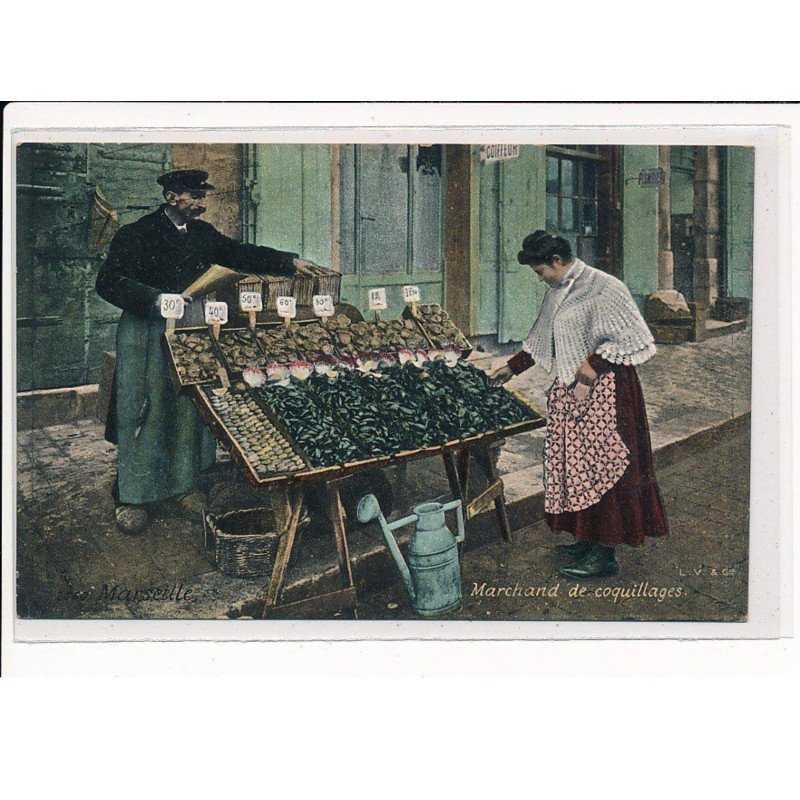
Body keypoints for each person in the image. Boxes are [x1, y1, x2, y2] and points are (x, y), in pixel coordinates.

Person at [96, 169, 316, 535]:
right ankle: (131, 496)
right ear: (172, 197)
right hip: (146, 330)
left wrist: (288, 262)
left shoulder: (202, 233)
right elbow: (107, 282)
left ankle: (182, 487)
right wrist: (155, 298)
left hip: (192, 325)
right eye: (195, 197)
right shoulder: (136, 233)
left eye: (204, 197)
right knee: (143, 409)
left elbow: (239, 253)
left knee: (187, 406)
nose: (202, 203)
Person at [489, 230, 669, 578]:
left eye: (541, 271)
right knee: (577, 466)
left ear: (557, 261)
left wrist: (591, 367)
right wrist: (510, 368)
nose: (540, 279)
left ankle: (605, 553)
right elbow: (541, 339)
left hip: (609, 392)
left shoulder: (605, 286)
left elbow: (634, 337)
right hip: (572, 393)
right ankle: (588, 538)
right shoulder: (557, 292)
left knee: (605, 466)